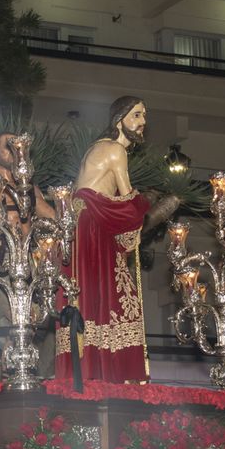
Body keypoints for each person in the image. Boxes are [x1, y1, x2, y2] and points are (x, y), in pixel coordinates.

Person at [55, 95, 152, 385]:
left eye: (144, 115)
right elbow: (127, 196)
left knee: (95, 294)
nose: (143, 121)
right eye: (136, 115)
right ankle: (108, 371)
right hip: (94, 226)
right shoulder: (114, 150)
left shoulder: (100, 147)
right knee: (109, 292)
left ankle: (96, 366)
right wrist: (144, 207)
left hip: (84, 223)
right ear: (119, 120)